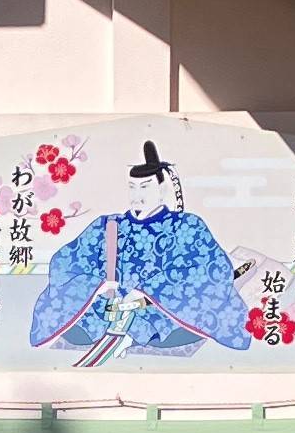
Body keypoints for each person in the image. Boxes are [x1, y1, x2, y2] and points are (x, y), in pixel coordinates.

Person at [27, 139, 253, 361]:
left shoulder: (187, 226)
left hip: (161, 311)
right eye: (132, 188)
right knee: (73, 324)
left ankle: (134, 334)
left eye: (145, 187)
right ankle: (122, 332)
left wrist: (149, 291)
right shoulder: (108, 225)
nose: (137, 196)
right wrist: (97, 285)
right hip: (107, 308)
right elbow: (65, 262)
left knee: (187, 318)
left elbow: (211, 270)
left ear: (162, 189)